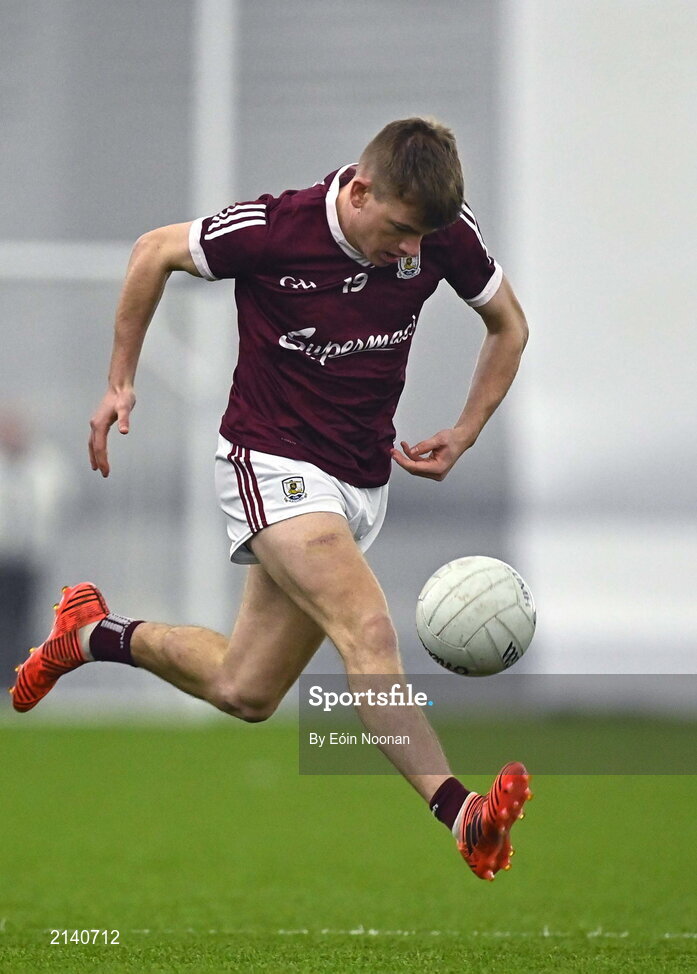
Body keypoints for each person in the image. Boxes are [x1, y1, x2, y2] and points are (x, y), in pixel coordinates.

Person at [11, 118, 532, 881]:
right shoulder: (274, 228)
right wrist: (120, 379)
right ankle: (463, 814)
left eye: (423, 237)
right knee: (368, 629)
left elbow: (507, 325)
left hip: (358, 479)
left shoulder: (442, 231)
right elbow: (152, 251)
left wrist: (466, 429)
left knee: (244, 689)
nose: (411, 252)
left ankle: (90, 633)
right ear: (358, 190)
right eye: (398, 231)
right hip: (271, 459)